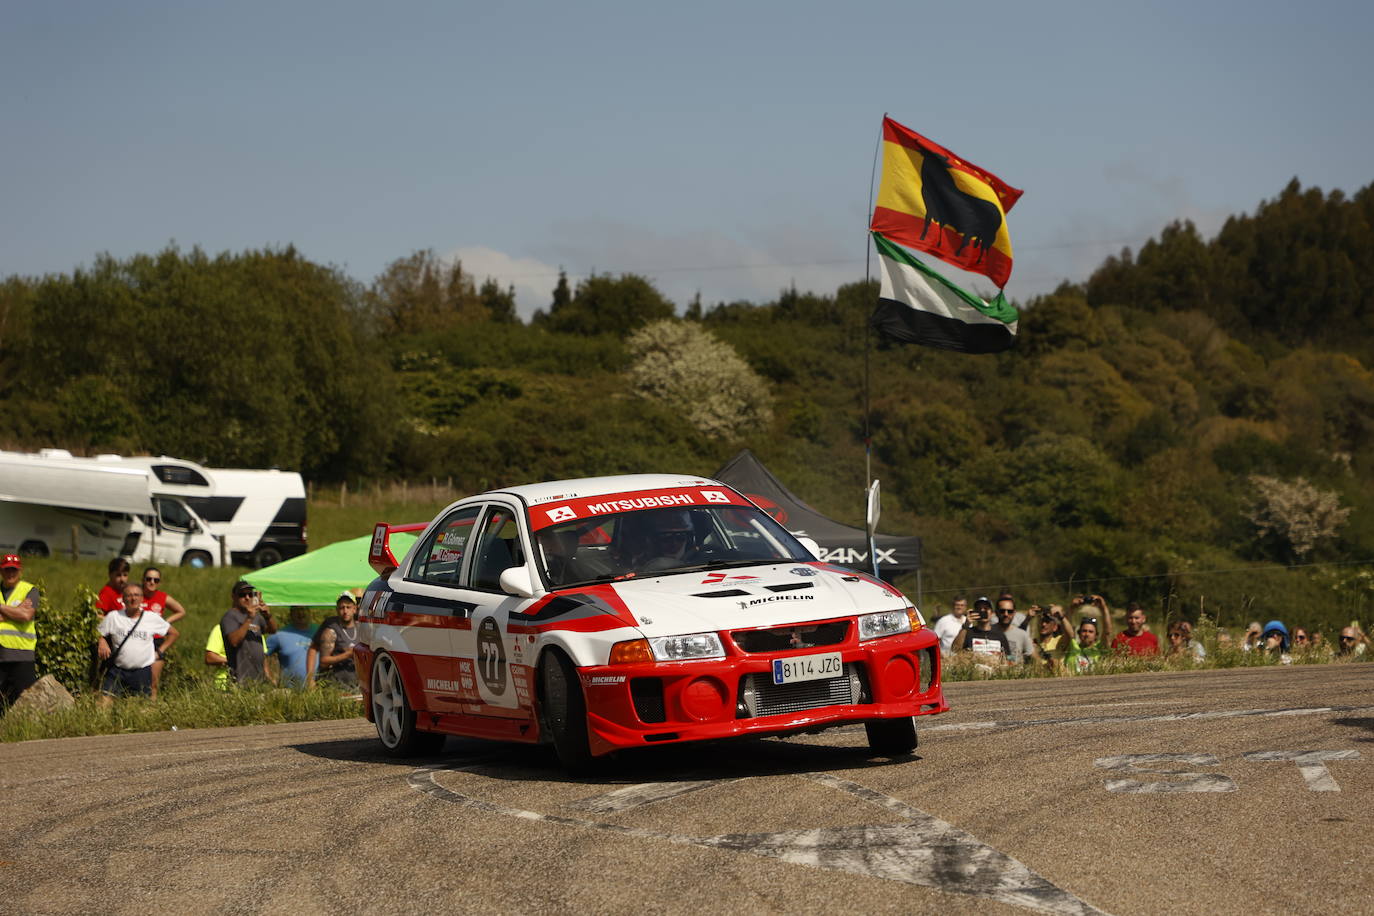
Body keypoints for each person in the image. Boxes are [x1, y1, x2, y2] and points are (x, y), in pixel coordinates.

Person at [97, 582, 178, 705]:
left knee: (142, 709)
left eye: (136, 595)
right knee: (103, 705)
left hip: (141, 671)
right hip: (118, 669)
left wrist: (160, 651)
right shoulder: (113, 617)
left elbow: (174, 633)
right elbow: (98, 633)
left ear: (142, 598)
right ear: (123, 599)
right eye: (129, 595)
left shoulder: (151, 617)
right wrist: (102, 642)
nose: (133, 598)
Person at [139, 566, 186, 699]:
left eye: (156, 580)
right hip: (138, 640)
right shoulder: (137, 595)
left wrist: (166, 622)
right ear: (143, 580)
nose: (152, 582)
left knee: (153, 682)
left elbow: (181, 611)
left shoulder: (162, 597)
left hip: (156, 641)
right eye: (148, 579)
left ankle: (151, 710)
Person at [0, 554, 40, 708]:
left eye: (14, 570)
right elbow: (20, 613)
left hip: (21, 653)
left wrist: (2, 609)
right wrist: (15, 611)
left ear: (20, 571)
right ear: (1, 571)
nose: (10, 573)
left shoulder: (30, 590)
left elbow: (25, 615)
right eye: (7, 570)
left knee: (24, 701)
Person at [220, 581, 277, 684]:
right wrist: (249, 619)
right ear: (234, 597)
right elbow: (234, 641)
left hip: (259, 678)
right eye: (242, 595)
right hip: (240, 679)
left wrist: (267, 615)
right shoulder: (230, 616)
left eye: (250, 594)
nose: (247, 598)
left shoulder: (257, 617)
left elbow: (273, 630)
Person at [308, 592, 359, 688]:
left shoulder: (360, 627)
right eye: (341, 607)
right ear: (337, 610)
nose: (345, 611)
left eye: (348, 607)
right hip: (335, 686)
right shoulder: (330, 629)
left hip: (356, 685)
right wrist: (347, 654)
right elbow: (323, 661)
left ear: (354, 609)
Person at [267, 606, 315, 688]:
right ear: (291, 613)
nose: (301, 613)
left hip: (317, 690)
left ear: (310, 612)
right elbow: (261, 655)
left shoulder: (320, 631)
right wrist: (269, 677)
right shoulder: (280, 634)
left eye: (303, 609)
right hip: (289, 692)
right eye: (297, 610)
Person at [952, 596, 1010, 664]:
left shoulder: (999, 634)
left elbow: (1007, 658)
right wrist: (966, 625)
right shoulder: (968, 632)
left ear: (992, 613)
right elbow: (955, 649)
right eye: (979, 609)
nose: (982, 611)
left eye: (986, 609)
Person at [994, 597, 1035, 665]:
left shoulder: (1022, 634)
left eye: (1010, 611)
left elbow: (1034, 657)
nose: (1006, 614)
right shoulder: (988, 633)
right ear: (996, 612)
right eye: (1002, 611)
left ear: (1014, 613)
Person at [1031, 604, 1071, 671]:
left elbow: (1070, 635)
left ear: (1055, 627)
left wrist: (1061, 617)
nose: (1043, 624)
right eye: (1042, 621)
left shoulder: (1059, 641)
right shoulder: (1032, 644)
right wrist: (1028, 617)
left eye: (1047, 622)